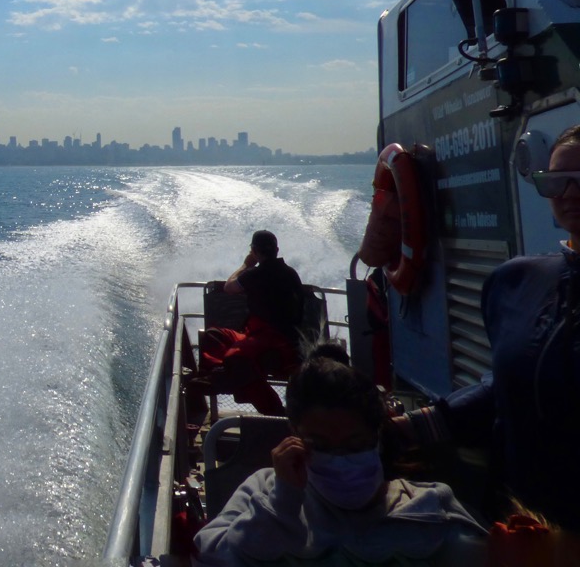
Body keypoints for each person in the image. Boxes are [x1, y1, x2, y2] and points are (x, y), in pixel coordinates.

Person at [394, 123, 580, 533]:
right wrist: (408, 428)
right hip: (520, 526)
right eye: (556, 182)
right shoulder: (514, 283)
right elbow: (507, 390)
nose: (568, 194)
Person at [192, 344, 487, 567]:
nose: (340, 459)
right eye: (320, 445)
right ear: (295, 435)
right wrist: (282, 502)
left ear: (377, 435)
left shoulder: (432, 508)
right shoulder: (265, 489)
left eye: (355, 444)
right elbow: (215, 556)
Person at [193, 230, 304, 415]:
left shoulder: (255, 273)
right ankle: (221, 374)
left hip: (274, 339)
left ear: (254, 250)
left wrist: (246, 263)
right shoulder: (291, 273)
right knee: (215, 335)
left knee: (237, 361)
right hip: (271, 336)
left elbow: (230, 287)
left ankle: (275, 412)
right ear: (277, 249)